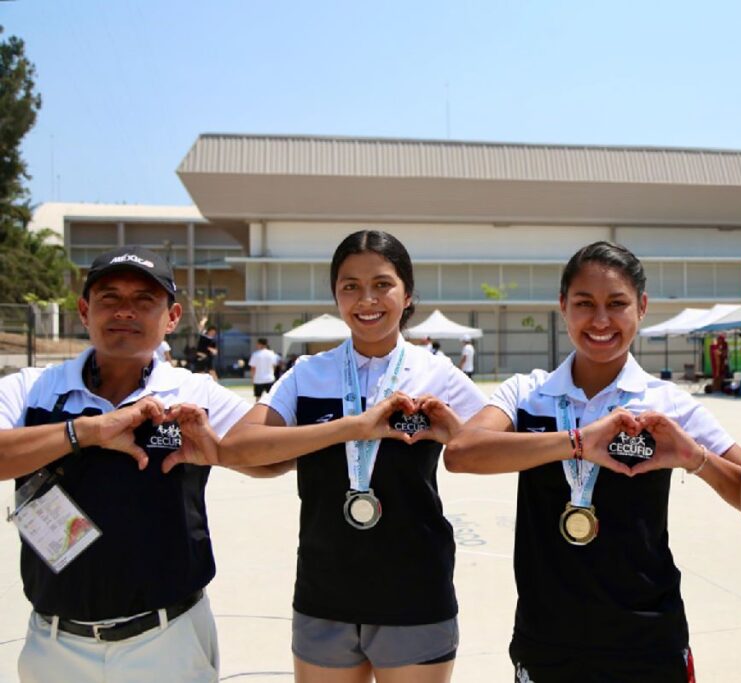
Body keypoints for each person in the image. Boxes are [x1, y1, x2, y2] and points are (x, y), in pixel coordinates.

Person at [445, 242, 741, 683]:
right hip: (547, 638)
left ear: (642, 307)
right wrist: (578, 442)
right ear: (562, 306)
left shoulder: (665, 404)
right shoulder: (527, 394)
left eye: (617, 304)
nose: (601, 320)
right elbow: (461, 453)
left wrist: (694, 458)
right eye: (584, 304)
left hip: (647, 638)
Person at [217, 230, 486, 683]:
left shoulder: (437, 374)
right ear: (336, 296)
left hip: (414, 589)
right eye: (351, 286)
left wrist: (454, 432)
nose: (367, 299)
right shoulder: (309, 374)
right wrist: (351, 427)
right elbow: (237, 447)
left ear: (407, 293)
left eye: (382, 284)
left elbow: (488, 451)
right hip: (325, 589)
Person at [0, 246, 277, 683]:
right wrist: (85, 432)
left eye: (144, 301)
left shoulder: (192, 394)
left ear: (172, 317)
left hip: (168, 640)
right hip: (56, 644)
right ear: (84, 310)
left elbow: (274, 456)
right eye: (110, 298)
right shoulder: (33, 389)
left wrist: (223, 452)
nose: (125, 311)